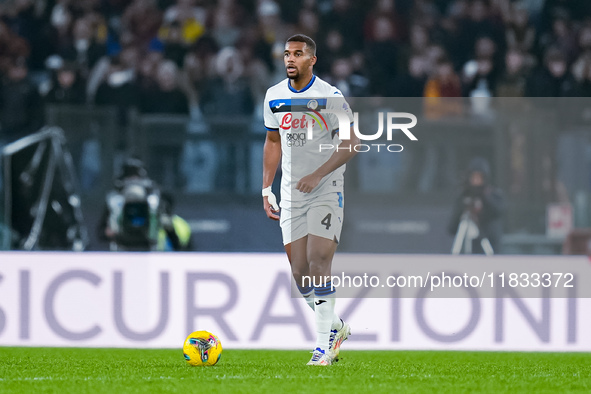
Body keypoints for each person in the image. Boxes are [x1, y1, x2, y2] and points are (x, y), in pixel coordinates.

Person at [262, 34, 358, 366]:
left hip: (326, 190)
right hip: (290, 194)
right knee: (300, 272)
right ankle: (336, 327)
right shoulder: (274, 96)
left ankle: (322, 348)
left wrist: (319, 173)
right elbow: (272, 141)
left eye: (298, 54)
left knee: (319, 261)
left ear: (312, 60)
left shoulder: (330, 96)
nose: (290, 59)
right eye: (287, 54)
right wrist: (266, 188)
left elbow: (351, 142)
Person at [448, 157, 505, 254]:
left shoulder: (493, 195)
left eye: (479, 178)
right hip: (469, 248)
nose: (476, 181)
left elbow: (500, 211)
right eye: (474, 177)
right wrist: (464, 206)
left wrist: (484, 198)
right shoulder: (464, 197)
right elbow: (452, 228)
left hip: (490, 247)